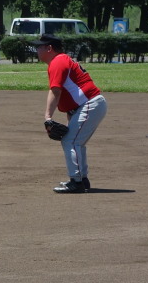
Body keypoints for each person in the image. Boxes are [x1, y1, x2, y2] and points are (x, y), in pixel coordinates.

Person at [34, 34, 106, 193]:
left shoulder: (57, 61)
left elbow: (56, 91)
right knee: (76, 141)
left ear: (49, 48)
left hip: (90, 104)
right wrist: (71, 119)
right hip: (90, 105)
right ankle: (82, 179)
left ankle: (76, 182)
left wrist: (48, 117)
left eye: (39, 47)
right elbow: (70, 99)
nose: (37, 50)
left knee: (70, 141)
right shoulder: (62, 60)